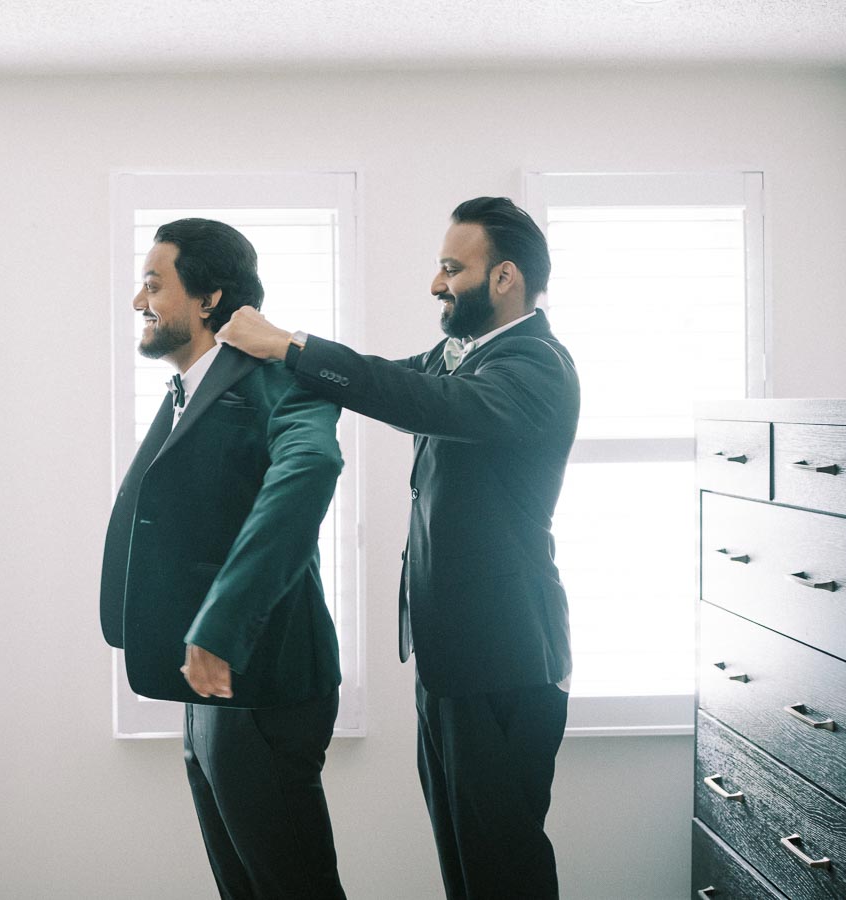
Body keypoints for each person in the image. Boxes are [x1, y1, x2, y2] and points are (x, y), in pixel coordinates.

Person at [218, 196, 580, 899]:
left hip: (506, 660)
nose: (436, 283)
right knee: (466, 863)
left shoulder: (535, 365)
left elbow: (420, 402)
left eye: (452, 267)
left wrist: (288, 343)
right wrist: (272, 369)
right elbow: (387, 377)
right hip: (453, 659)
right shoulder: (464, 354)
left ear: (505, 278)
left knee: (503, 869)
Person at [99, 217, 347, 899]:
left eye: (154, 283)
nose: (138, 301)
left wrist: (221, 624)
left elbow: (309, 474)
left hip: (262, 675)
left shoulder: (279, 380)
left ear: (208, 298)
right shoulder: (187, 387)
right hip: (207, 687)